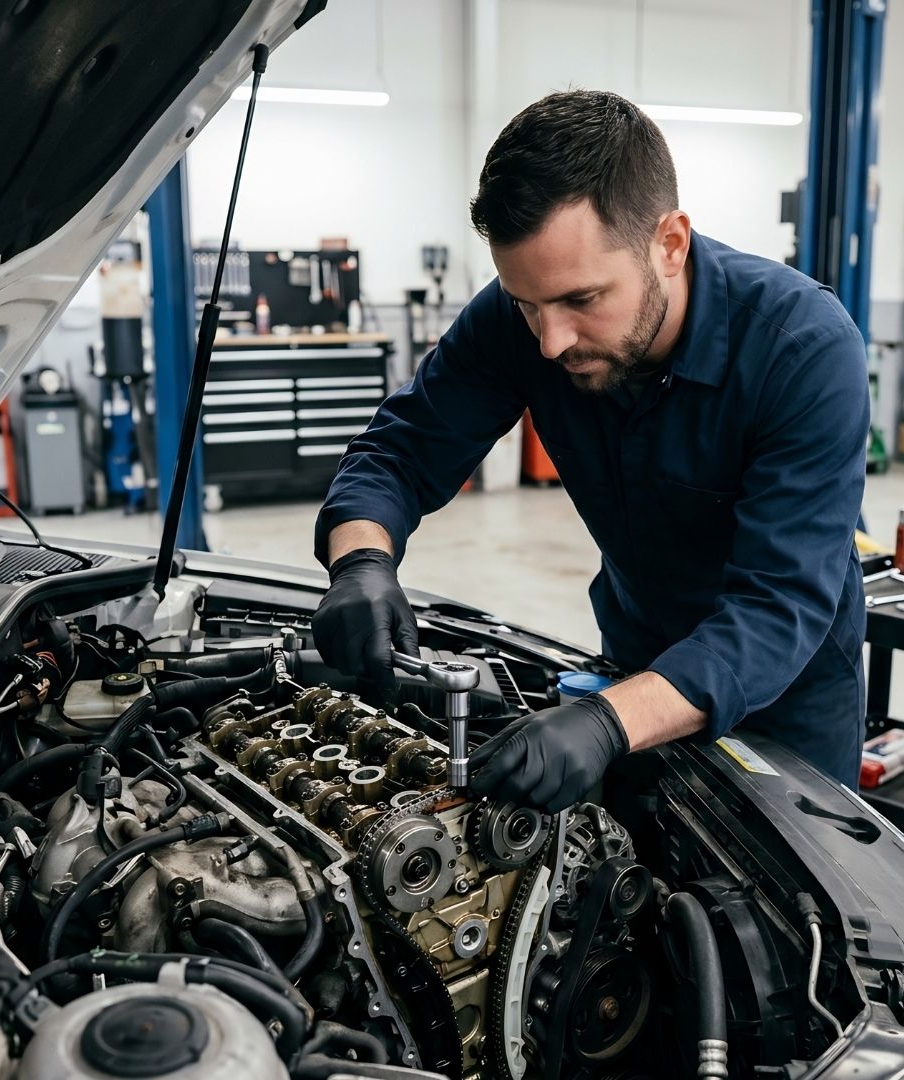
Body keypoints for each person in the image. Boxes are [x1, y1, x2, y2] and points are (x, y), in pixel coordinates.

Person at [311, 90, 869, 812]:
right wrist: (360, 561)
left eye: (582, 300)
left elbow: (777, 606)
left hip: (786, 703)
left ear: (670, 244)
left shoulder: (803, 350)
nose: (550, 341)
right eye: (526, 305)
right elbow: (403, 450)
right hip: (630, 659)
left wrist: (609, 723)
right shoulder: (527, 319)